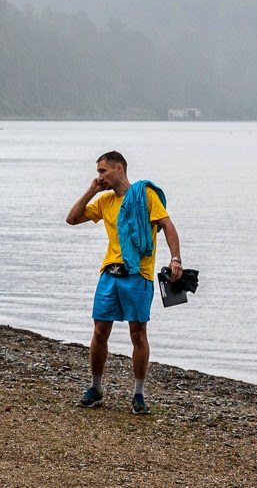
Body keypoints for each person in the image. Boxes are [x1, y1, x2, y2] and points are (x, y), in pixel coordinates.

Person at [66, 150, 182, 413]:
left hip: (137, 274)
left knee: (138, 335)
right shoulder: (105, 201)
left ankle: (138, 395)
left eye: (102, 171)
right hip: (110, 273)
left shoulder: (145, 196)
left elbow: (167, 225)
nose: (99, 176)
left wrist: (176, 259)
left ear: (119, 168)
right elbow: (72, 219)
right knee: (99, 331)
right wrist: (91, 190)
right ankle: (95, 389)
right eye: (98, 172)